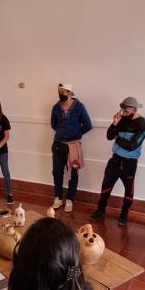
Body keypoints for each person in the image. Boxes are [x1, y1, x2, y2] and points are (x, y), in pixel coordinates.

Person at [90, 97, 145, 226]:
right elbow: (109, 136)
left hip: (129, 163)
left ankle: (124, 214)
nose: (123, 113)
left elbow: (132, 145)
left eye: (126, 111)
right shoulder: (121, 119)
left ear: (134, 110)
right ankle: (100, 210)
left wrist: (118, 138)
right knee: (105, 186)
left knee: (129, 190)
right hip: (114, 160)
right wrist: (114, 123)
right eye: (122, 110)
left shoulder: (142, 124)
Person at [50, 83, 93, 213]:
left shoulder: (79, 107)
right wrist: (63, 133)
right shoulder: (55, 108)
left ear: (69, 93)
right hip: (58, 145)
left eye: (63, 92)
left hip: (73, 147)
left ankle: (70, 199)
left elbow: (88, 125)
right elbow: (54, 124)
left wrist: (76, 133)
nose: (61, 94)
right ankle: (57, 198)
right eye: (59, 91)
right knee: (57, 172)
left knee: (73, 174)